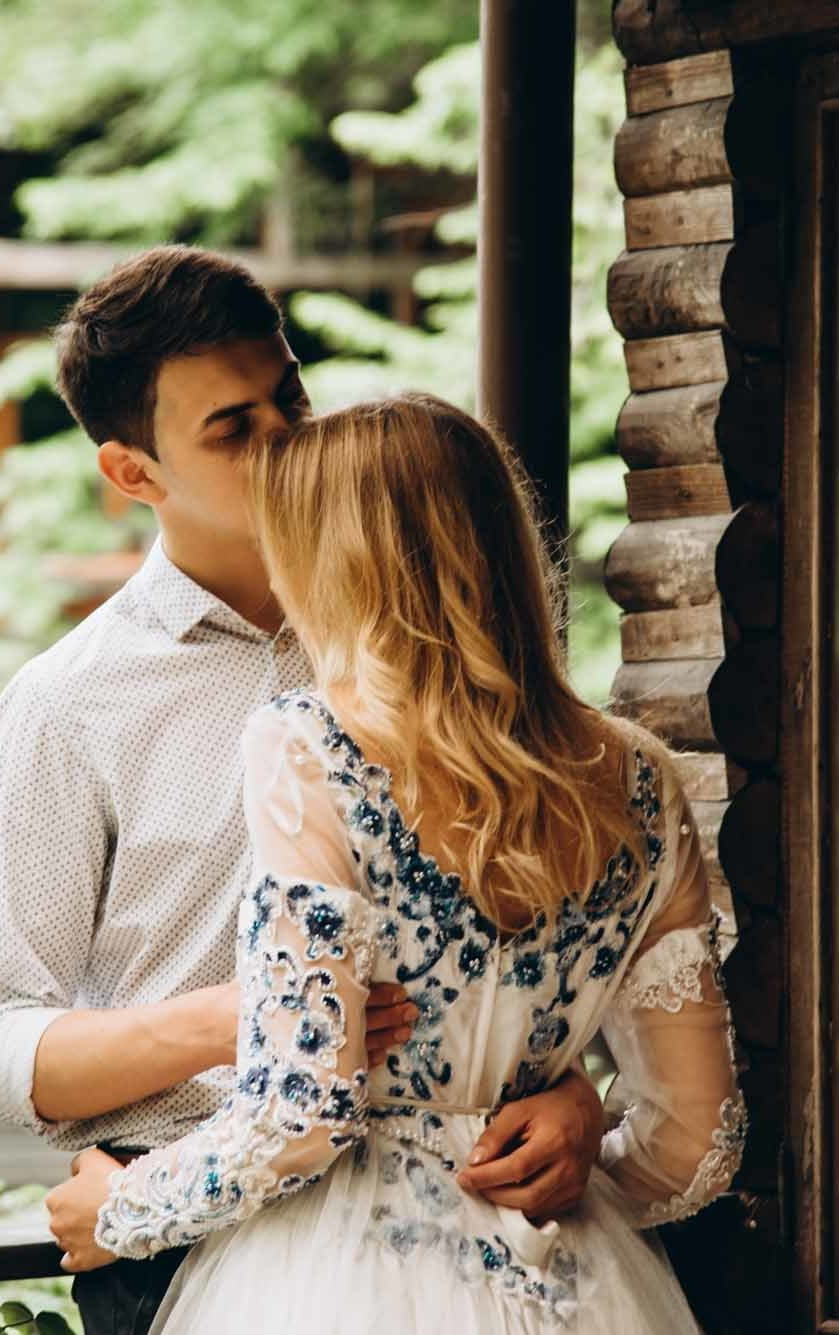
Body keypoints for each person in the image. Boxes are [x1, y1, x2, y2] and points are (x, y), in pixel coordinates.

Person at [0, 250, 612, 1335]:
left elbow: (542, 915)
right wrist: (241, 1020)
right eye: (232, 427)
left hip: (455, 1242)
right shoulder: (65, 705)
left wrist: (575, 1093)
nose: (286, 442)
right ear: (131, 473)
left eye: (287, 397)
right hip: (174, 1240)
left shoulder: (434, 645)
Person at [43, 393, 744, 1333]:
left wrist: (118, 1213)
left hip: (338, 1282)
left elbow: (303, 1112)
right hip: (574, 1272)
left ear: (337, 561)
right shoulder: (642, 781)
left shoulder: (308, 747)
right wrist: (577, 1156)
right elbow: (696, 1136)